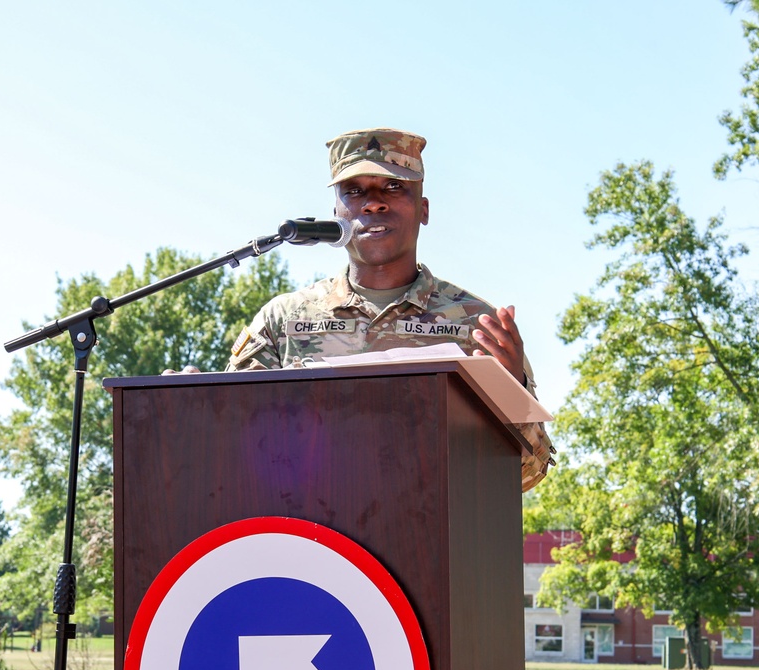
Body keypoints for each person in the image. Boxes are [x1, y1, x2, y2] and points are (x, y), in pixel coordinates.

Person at [225, 127, 554, 491]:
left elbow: (527, 474)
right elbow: (232, 448)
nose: (373, 203)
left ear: (423, 209)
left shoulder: (478, 325)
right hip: (310, 536)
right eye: (354, 191)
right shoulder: (281, 322)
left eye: (394, 187)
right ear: (336, 213)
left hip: (431, 537)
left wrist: (512, 397)